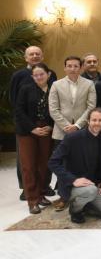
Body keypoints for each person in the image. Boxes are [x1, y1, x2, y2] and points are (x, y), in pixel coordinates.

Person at [48, 108, 101, 224]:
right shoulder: (72, 138)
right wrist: (73, 180)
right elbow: (53, 162)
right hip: (74, 185)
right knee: (90, 191)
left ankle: (86, 205)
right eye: (94, 120)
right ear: (88, 121)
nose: (97, 123)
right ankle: (75, 210)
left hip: (94, 184)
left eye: (100, 120)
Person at [9, 45, 57, 200]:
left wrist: (50, 124)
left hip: (46, 127)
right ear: (26, 57)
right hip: (26, 127)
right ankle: (27, 189)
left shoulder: (52, 76)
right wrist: (31, 127)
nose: (35, 56)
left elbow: (55, 102)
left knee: (44, 160)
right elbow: (15, 103)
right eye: (31, 54)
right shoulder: (18, 76)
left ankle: (43, 187)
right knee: (26, 162)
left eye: (38, 53)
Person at [15, 63, 54, 214]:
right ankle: (32, 200)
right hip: (27, 131)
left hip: (47, 130)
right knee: (29, 166)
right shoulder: (25, 89)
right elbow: (19, 111)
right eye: (35, 75)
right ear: (32, 77)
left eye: (41, 74)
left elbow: (58, 109)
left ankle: (41, 194)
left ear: (48, 74)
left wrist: (50, 126)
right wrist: (32, 128)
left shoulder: (54, 88)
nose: (39, 77)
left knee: (44, 164)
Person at [49, 56, 96, 141]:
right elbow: (53, 109)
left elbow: (91, 107)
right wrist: (66, 126)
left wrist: (77, 126)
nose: (72, 69)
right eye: (69, 66)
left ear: (81, 68)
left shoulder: (89, 84)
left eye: (75, 66)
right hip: (61, 131)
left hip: (82, 129)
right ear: (65, 68)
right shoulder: (56, 85)